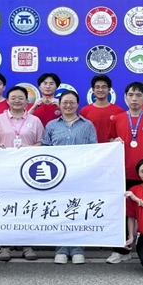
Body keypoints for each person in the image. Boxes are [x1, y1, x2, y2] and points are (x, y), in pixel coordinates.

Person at [106, 81, 143, 264]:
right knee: (123, 212)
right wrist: (113, 141)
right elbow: (110, 140)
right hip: (123, 172)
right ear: (125, 98)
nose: (134, 99)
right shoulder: (117, 119)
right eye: (130, 95)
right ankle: (121, 250)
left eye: (138, 95)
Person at [42, 90, 98, 265]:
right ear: (59, 104)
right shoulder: (51, 125)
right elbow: (45, 149)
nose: (68, 105)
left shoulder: (87, 125)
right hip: (57, 177)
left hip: (80, 176)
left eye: (72, 102)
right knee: (59, 211)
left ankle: (77, 248)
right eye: (65, 102)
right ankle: (61, 248)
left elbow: (94, 150)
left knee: (77, 210)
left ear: (77, 104)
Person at [0, 85, 44, 261]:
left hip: (29, 171)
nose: (17, 101)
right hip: (4, 170)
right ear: (7, 100)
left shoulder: (35, 120)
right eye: (13, 98)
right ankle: (4, 246)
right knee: (5, 206)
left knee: (27, 206)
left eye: (21, 98)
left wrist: (31, 148)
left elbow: (41, 143)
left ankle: (27, 246)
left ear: (27, 101)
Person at [79, 75, 124, 143]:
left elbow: (122, 132)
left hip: (112, 148)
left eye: (104, 87)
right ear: (93, 90)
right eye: (97, 87)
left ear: (109, 89)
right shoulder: (84, 111)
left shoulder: (118, 110)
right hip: (92, 148)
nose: (100, 90)